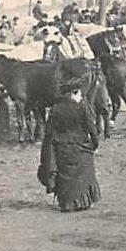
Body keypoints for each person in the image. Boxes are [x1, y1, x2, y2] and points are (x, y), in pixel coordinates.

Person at [37, 81, 101, 212]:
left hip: (61, 147)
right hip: (81, 147)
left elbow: (49, 132)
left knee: (65, 177)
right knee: (85, 174)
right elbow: (92, 129)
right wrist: (94, 145)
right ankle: (85, 202)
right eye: (79, 94)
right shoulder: (82, 108)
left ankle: (66, 204)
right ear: (73, 93)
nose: (81, 97)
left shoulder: (55, 109)